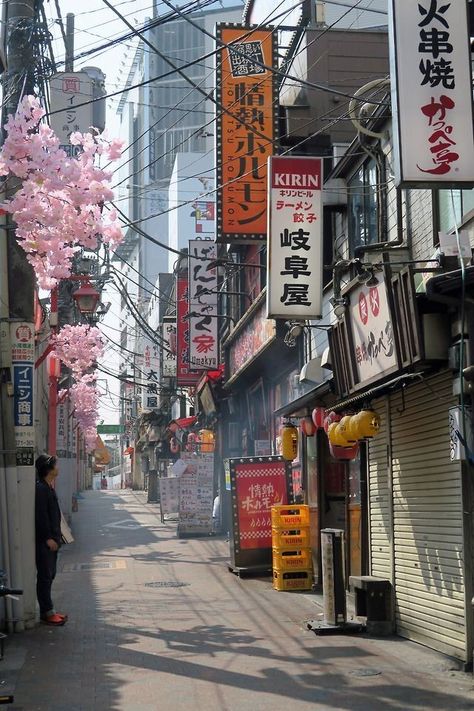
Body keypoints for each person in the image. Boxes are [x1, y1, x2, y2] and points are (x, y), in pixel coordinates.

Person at [35, 454, 67, 626]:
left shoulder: (48, 487)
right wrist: (48, 538)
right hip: (46, 542)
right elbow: (41, 517)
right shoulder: (41, 489)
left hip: (53, 539)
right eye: (56, 465)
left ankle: (49, 610)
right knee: (45, 577)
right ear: (49, 469)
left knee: (50, 575)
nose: (58, 468)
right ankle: (47, 613)